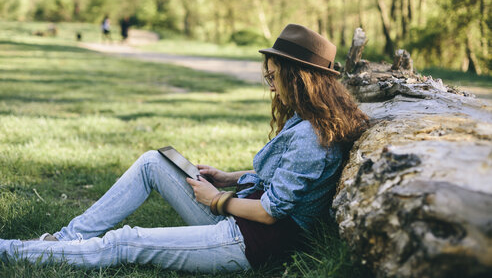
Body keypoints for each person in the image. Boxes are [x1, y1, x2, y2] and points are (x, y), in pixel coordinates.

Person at [0, 24, 369, 273]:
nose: (271, 86)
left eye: (273, 76)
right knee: (153, 163)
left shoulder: (310, 135)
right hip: (243, 220)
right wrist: (228, 177)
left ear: (296, 77)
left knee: (127, 241)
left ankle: (13, 250)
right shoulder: (311, 121)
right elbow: (286, 178)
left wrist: (217, 199)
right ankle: (66, 240)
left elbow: (274, 211)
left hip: (252, 242)